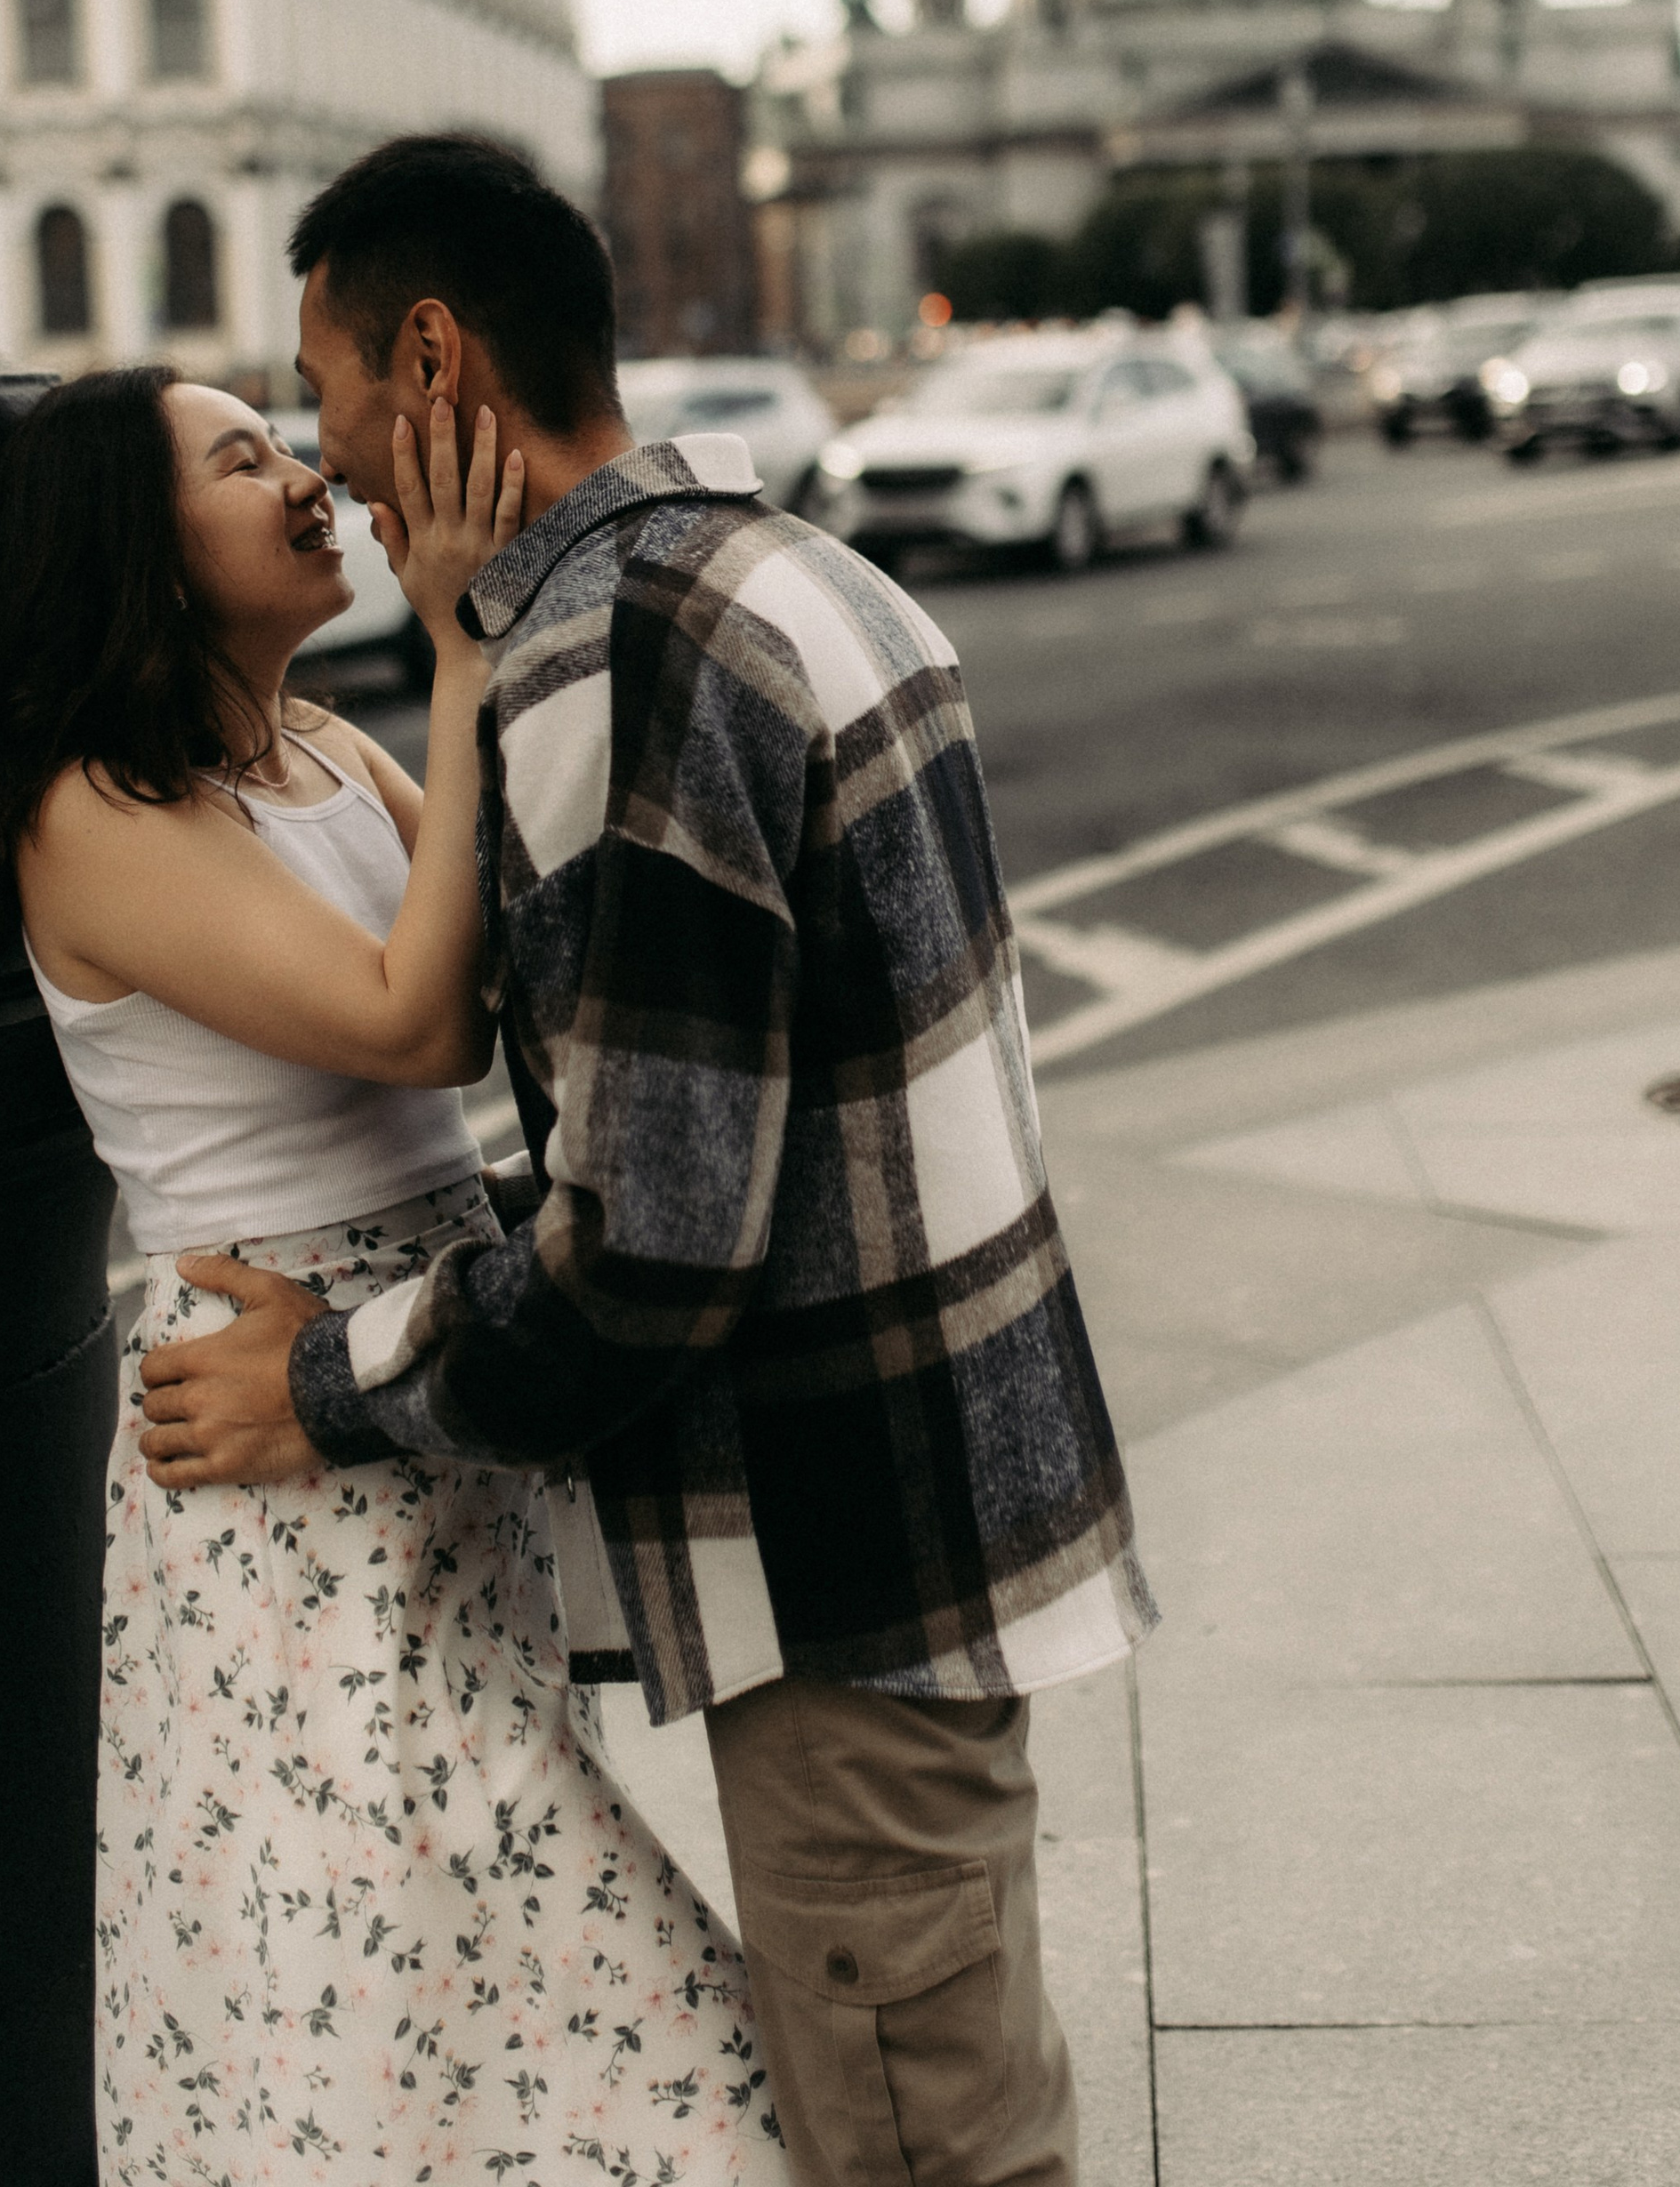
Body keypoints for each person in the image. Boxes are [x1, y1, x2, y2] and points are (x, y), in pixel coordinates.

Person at [136, 134, 1158, 2187]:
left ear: (433, 356)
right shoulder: (785, 569)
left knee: (923, 2142)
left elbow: (653, 1242)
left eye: (320, 382)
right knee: (952, 2082)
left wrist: (323, 1383)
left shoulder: (616, 658)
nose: (324, 449)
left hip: (847, 1541)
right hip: (943, 1486)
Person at [0, 362, 786, 2179]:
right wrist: (468, 645)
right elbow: (410, 1020)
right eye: (240, 459)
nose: (306, 475)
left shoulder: (316, 745)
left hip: (401, 1378)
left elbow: (481, 978)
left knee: (449, 1955)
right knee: (411, 1959)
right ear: (132, 548)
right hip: (277, 1427)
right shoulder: (90, 805)